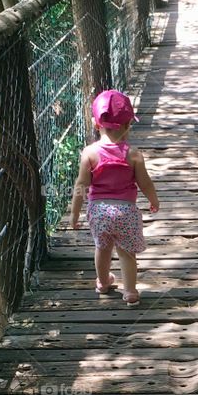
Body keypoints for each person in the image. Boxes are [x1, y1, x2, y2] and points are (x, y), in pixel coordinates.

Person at [69, 89, 159, 305]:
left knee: (102, 247)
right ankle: (130, 292)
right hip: (126, 211)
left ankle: (103, 282)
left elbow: (81, 185)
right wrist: (153, 200)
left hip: (99, 211)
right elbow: (144, 182)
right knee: (126, 252)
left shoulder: (89, 153)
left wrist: (74, 215)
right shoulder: (134, 154)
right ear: (128, 125)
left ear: (95, 124)